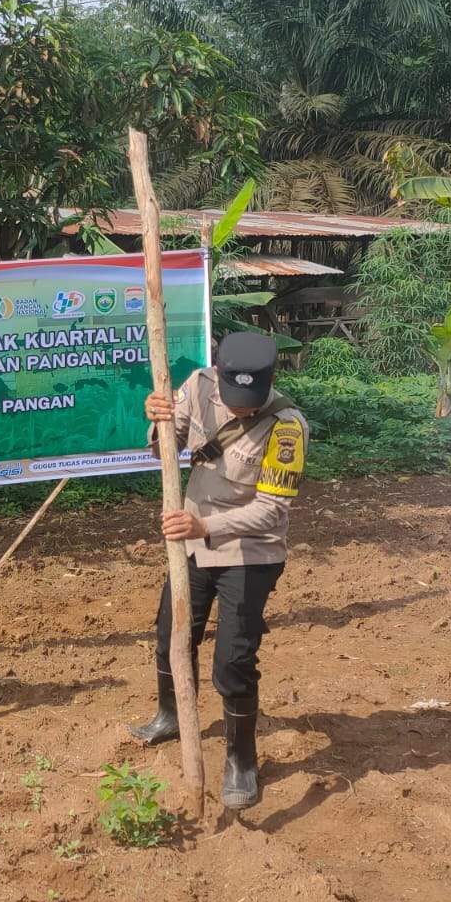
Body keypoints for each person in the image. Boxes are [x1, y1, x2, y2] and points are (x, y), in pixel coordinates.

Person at [128, 330, 308, 811]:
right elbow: (169, 444)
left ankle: (240, 760)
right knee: (171, 634)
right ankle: (170, 715)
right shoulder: (198, 386)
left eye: (249, 402)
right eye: (234, 398)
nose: (240, 409)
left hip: (250, 553)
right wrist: (157, 422)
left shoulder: (287, 427)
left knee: (232, 659)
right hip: (190, 541)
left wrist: (204, 524)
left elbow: (272, 511)